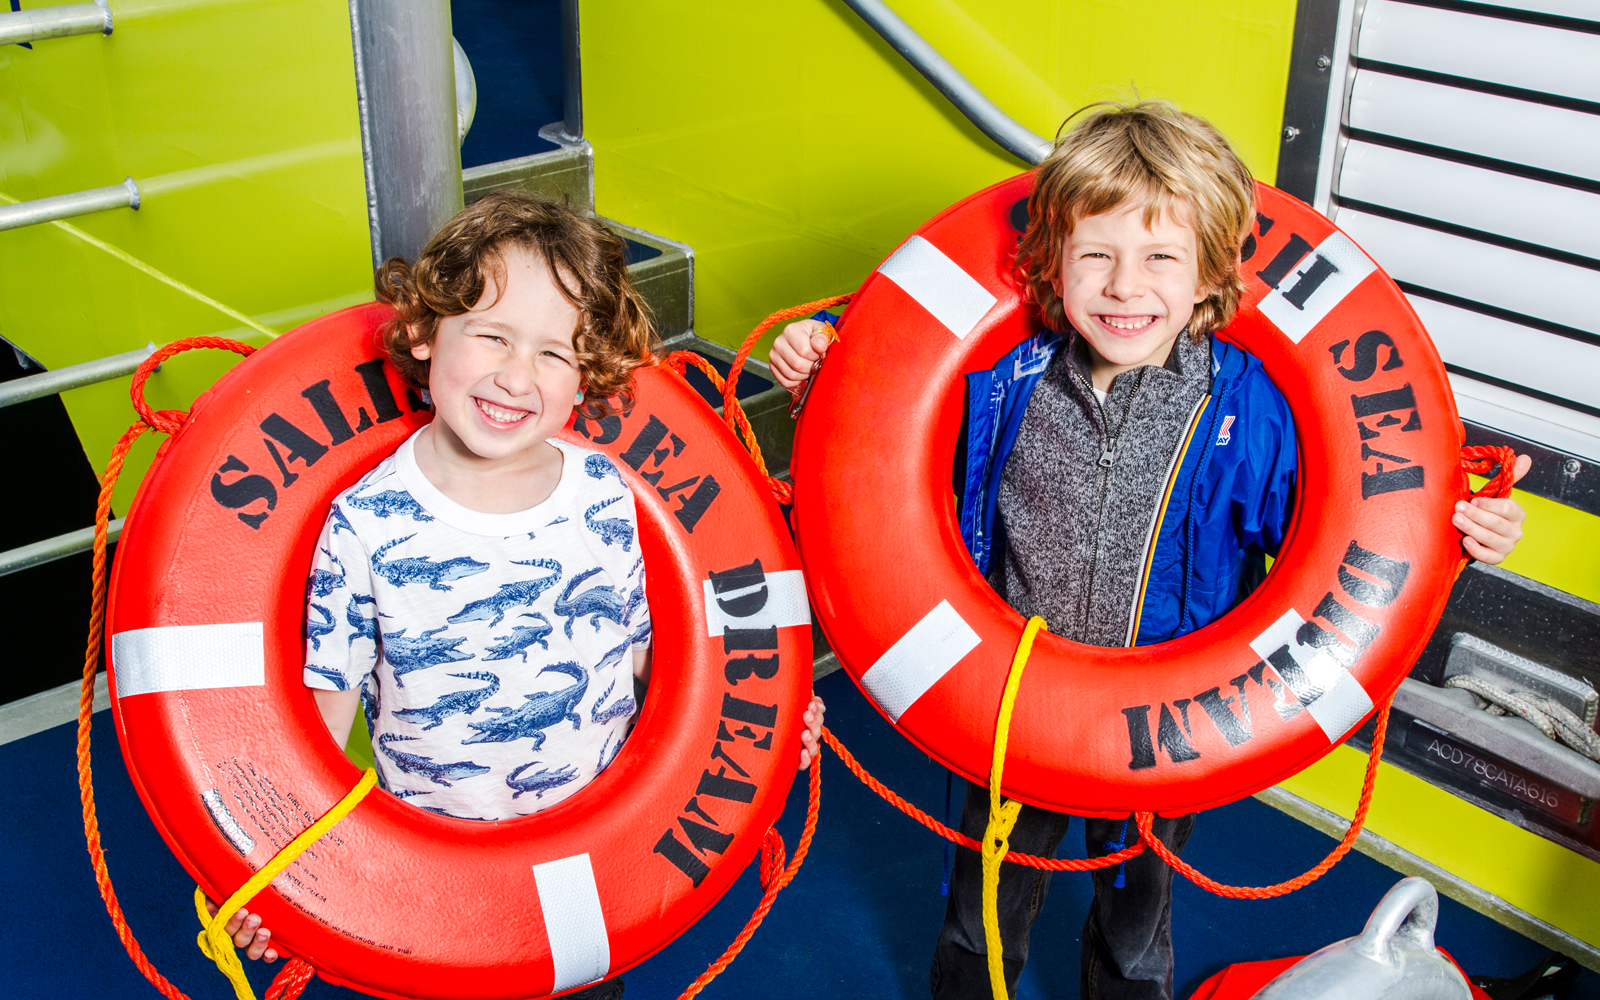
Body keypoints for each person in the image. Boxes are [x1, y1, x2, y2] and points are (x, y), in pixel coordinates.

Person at [769, 101, 1529, 1000]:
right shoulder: (1003, 379)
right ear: (1051, 261)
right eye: (1097, 255)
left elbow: (1351, 538)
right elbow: (882, 462)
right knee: (982, 907)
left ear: (1209, 275)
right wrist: (826, 365)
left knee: (1138, 917)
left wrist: (1466, 533)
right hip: (1010, 706)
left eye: (1160, 257)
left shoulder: (1254, 413)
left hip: (1171, 725)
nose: (1126, 287)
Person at [209, 194, 827, 993]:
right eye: (492, 336)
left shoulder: (607, 495)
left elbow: (657, 669)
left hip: (593, 860)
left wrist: (769, 722)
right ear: (427, 334)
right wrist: (268, 877)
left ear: (588, 374)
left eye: (554, 354)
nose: (515, 376)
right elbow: (313, 738)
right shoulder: (362, 526)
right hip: (436, 890)